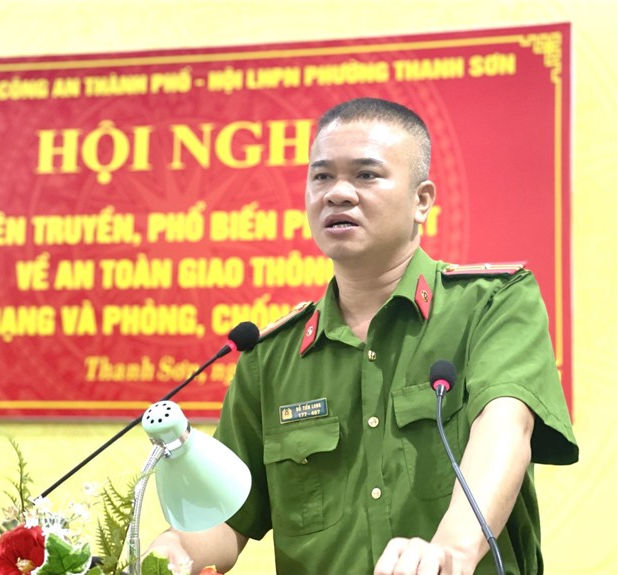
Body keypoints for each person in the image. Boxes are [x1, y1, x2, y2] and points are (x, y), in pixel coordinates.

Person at [146, 97, 578, 574]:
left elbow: (506, 426)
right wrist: (170, 554)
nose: (337, 194)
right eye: (321, 177)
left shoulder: (492, 303)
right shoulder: (270, 357)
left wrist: (452, 550)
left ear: (421, 201)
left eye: (366, 175)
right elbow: (228, 516)